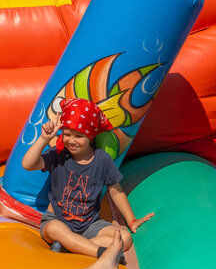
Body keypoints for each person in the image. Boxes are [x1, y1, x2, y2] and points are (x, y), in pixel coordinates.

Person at [21, 98, 154, 258]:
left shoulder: (102, 159)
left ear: (90, 135)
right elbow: (28, 164)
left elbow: (116, 191)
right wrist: (44, 138)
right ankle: (102, 253)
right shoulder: (58, 155)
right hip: (57, 220)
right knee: (55, 229)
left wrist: (131, 220)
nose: (71, 140)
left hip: (89, 225)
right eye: (67, 134)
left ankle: (69, 246)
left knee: (124, 238)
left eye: (79, 136)